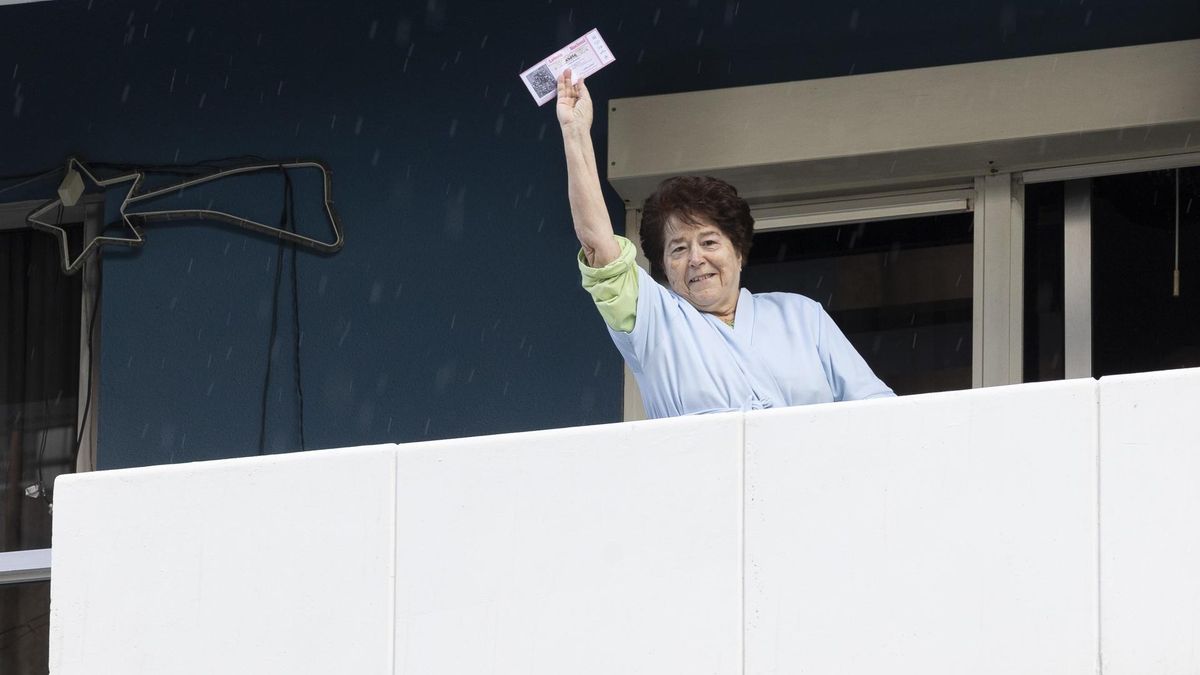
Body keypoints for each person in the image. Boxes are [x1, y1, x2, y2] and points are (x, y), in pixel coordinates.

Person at [556, 69, 894, 418]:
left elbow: (876, 408)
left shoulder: (802, 316)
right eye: (678, 248)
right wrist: (576, 132)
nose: (696, 259)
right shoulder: (654, 322)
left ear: (739, 251)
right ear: (664, 270)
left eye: (709, 241)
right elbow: (599, 246)